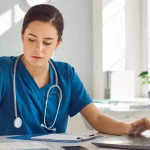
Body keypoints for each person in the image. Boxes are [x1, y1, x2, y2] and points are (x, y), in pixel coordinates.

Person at [0, 4, 150, 136]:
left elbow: (96, 119)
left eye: (47, 42)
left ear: (58, 43)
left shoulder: (66, 74)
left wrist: (129, 128)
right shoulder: (4, 70)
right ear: (22, 36)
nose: (38, 49)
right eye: (31, 40)